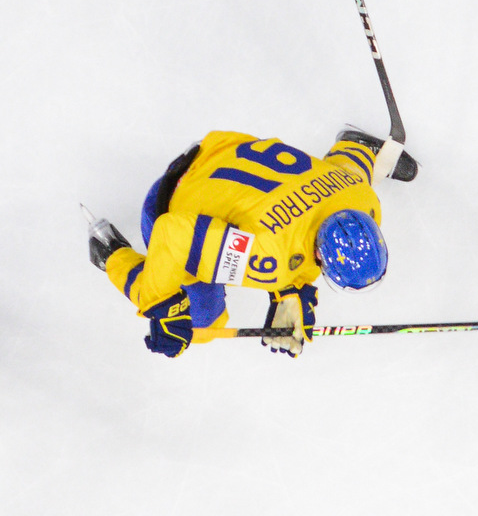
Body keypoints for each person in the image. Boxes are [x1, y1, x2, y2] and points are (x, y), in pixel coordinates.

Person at [85, 127, 415, 360]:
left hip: (220, 151)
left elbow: (345, 169)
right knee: (203, 320)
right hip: (171, 195)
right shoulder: (264, 257)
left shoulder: (362, 198)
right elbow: (171, 235)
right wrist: (165, 307)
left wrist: (290, 291)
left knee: (327, 183)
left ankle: (356, 143)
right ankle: (110, 253)